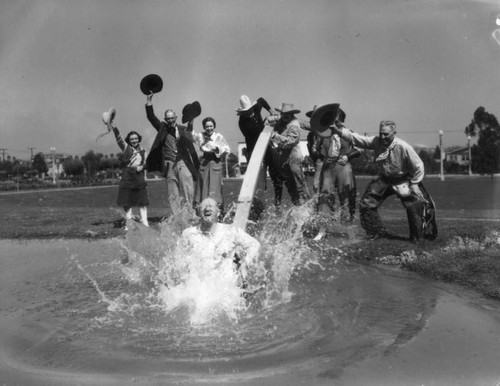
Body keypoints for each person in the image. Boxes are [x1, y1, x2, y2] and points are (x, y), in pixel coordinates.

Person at [331, 119, 427, 243]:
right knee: (366, 203)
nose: (383, 136)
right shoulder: (376, 141)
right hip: (385, 178)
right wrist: (339, 131)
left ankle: (417, 238)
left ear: (394, 133)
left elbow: (419, 165)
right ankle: (376, 233)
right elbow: (359, 139)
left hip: (403, 178)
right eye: (381, 133)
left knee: (414, 205)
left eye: (386, 134)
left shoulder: (404, 147)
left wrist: (414, 184)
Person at [144, 91, 200, 216]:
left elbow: (191, 144)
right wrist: (149, 101)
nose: (169, 120)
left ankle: (192, 213)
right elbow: (151, 117)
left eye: (171, 118)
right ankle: (178, 217)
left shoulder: (183, 129)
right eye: (167, 118)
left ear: (175, 118)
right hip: (169, 164)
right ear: (165, 119)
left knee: (189, 189)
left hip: (183, 163)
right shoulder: (162, 128)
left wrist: (197, 165)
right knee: (172, 193)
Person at [180, 197, 260, 278]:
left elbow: (254, 244)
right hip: (199, 286)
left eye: (211, 206)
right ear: (199, 213)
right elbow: (180, 259)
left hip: (225, 286)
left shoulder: (230, 231)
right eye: (204, 206)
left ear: (218, 213)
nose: (207, 208)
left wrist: (245, 264)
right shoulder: (189, 234)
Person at [266, 103, 310, 206]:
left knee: (299, 184)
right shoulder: (283, 119)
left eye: (286, 114)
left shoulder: (294, 125)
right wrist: (268, 119)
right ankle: (297, 205)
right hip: (284, 158)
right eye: (282, 114)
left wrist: (274, 136)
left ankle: (307, 205)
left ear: (291, 114)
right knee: (290, 185)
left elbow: (291, 141)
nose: (284, 116)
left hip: (293, 157)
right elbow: (275, 118)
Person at [107, 121, 149, 227]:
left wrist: (142, 167)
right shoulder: (126, 148)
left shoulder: (144, 151)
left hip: (139, 176)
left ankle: (145, 222)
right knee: (127, 201)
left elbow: (146, 163)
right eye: (132, 139)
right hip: (127, 176)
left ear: (139, 139)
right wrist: (115, 128)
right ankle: (129, 222)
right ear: (129, 141)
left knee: (142, 200)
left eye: (136, 139)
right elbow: (119, 139)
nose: (134, 141)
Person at [192, 117, 230, 218]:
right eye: (207, 126)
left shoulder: (219, 136)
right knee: (202, 188)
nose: (209, 128)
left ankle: (218, 214)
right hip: (204, 163)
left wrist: (217, 148)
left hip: (216, 164)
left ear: (214, 126)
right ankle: (202, 214)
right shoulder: (201, 136)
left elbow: (227, 149)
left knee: (215, 189)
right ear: (204, 127)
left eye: (211, 126)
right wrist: (191, 122)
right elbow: (192, 136)